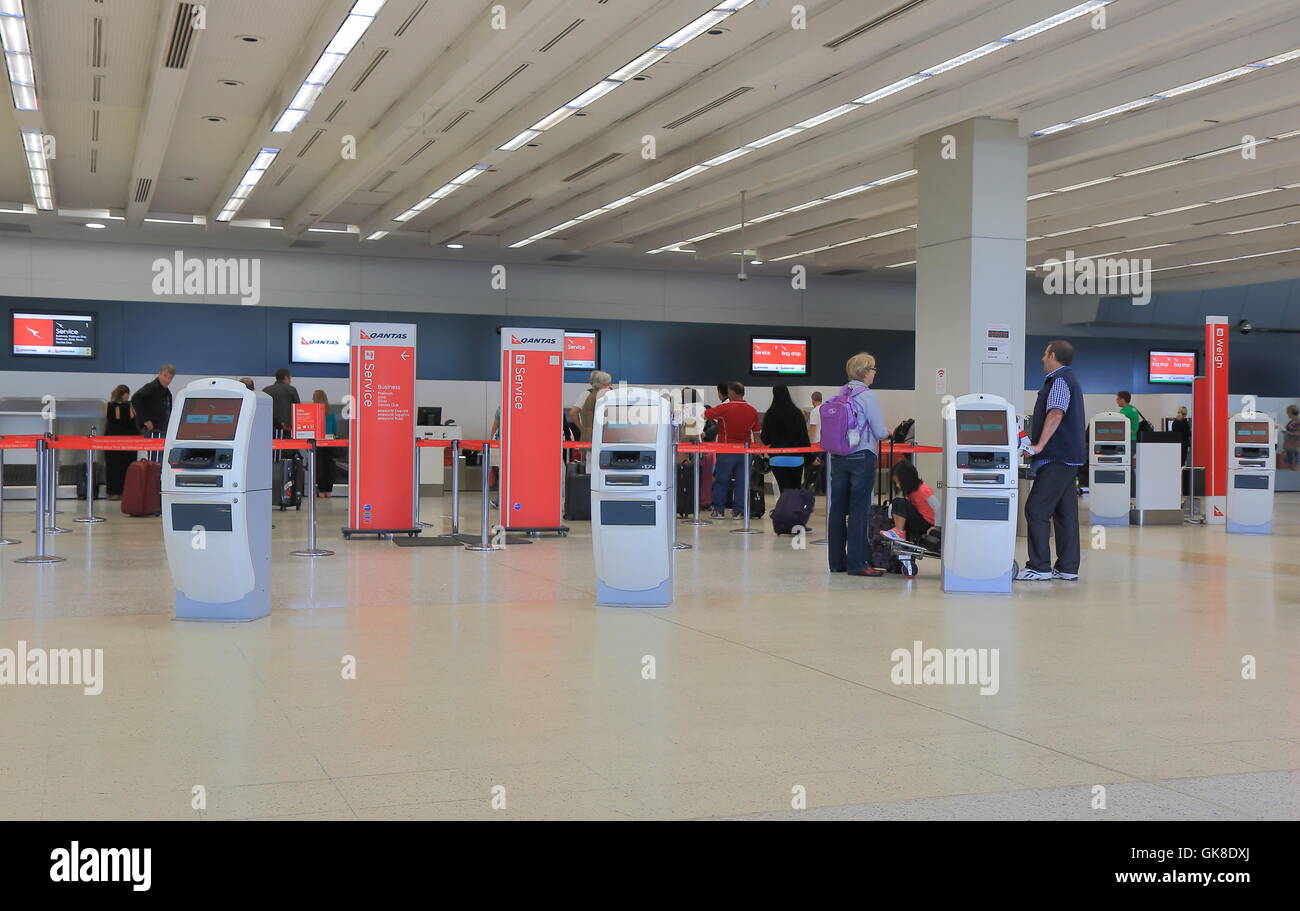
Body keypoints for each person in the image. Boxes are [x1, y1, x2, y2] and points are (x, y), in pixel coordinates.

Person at [1018, 340, 1087, 582]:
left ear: (1053, 355)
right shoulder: (1071, 379)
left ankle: (1039, 566)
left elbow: (1056, 412)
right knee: (1064, 512)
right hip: (1069, 457)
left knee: (1036, 509)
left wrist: (1038, 446)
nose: (1041, 358)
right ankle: (1068, 567)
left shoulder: (1058, 380)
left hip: (1056, 457)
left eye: (1044, 354)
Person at [826, 353, 888, 577]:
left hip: (838, 456)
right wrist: (889, 433)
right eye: (873, 369)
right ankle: (858, 563)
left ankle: (836, 562)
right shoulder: (868, 396)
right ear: (865, 372)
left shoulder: (841, 393)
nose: (874, 373)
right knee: (859, 511)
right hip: (861, 456)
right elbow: (879, 431)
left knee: (837, 510)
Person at [705, 381, 761, 519]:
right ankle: (739, 511)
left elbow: (707, 414)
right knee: (742, 482)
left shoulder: (725, 408)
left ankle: (719, 510)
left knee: (722, 480)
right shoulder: (753, 411)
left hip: (726, 450)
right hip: (745, 451)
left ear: (732, 393)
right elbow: (757, 434)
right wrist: (759, 451)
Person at [880, 460, 940, 548]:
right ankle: (898, 530)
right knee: (897, 501)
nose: (897, 485)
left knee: (900, 502)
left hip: (926, 524)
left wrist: (937, 526)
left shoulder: (922, 490)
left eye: (898, 482)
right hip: (919, 521)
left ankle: (899, 532)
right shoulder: (911, 492)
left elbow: (938, 507)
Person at [761, 385, 810, 491]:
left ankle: (784, 506)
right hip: (796, 458)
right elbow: (804, 439)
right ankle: (795, 507)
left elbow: (765, 439)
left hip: (777, 459)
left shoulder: (770, 414)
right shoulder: (797, 413)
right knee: (796, 489)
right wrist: (810, 457)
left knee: (783, 490)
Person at [103, 385, 136, 500]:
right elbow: (133, 420)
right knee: (128, 467)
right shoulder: (130, 405)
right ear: (125, 394)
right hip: (128, 441)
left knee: (112, 467)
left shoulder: (107, 405)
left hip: (111, 440)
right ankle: (127, 492)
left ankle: (113, 493)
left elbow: (109, 419)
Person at [568, 370, 613, 442]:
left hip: (592, 435)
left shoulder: (587, 394)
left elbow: (573, 412)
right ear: (603, 384)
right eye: (608, 383)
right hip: (603, 435)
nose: (610, 386)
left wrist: (583, 429)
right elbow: (573, 412)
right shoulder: (611, 395)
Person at [131, 364, 175, 434]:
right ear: (159, 374)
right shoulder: (152, 387)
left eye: (170, 378)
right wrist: (145, 420)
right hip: (151, 430)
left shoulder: (167, 392)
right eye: (165, 376)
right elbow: (135, 399)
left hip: (161, 429)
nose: (167, 379)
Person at [312, 390, 337, 497]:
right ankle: (329, 491)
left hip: (317, 442)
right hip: (330, 442)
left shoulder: (313, 411)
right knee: (329, 467)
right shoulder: (330, 412)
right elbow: (335, 428)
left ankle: (321, 491)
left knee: (319, 467)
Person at [262, 368, 300, 434]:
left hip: (269, 428)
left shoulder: (266, 390)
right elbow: (298, 408)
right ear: (286, 378)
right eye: (290, 379)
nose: (290, 381)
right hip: (287, 428)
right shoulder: (291, 389)